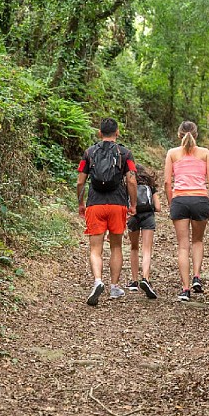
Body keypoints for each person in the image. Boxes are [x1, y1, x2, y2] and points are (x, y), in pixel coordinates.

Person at [77, 118, 137, 306]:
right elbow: (132, 180)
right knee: (116, 246)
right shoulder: (125, 153)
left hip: (95, 204)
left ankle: (97, 281)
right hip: (117, 204)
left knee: (95, 248)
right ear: (117, 133)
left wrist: (81, 203)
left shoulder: (89, 152)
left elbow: (80, 181)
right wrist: (133, 203)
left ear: (99, 133)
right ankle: (114, 286)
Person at [164, 121, 209, 301]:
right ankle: (197, 276)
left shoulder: (172, 154)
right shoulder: (205, 153)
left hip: (180, 200)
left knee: (182, 246)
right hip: (200, 200)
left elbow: (167, 182)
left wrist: (172, 202)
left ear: (179, 135)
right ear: (196, 135)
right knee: (197, 240)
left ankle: (185, 289)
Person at [126, 164, 160, 299]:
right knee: (147, 249)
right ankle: (145, 278)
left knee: (134, 248)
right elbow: (158, 207)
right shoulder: (151, 185)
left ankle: (134, 281)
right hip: (148, 217)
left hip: (133, 217)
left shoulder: (127, 184)